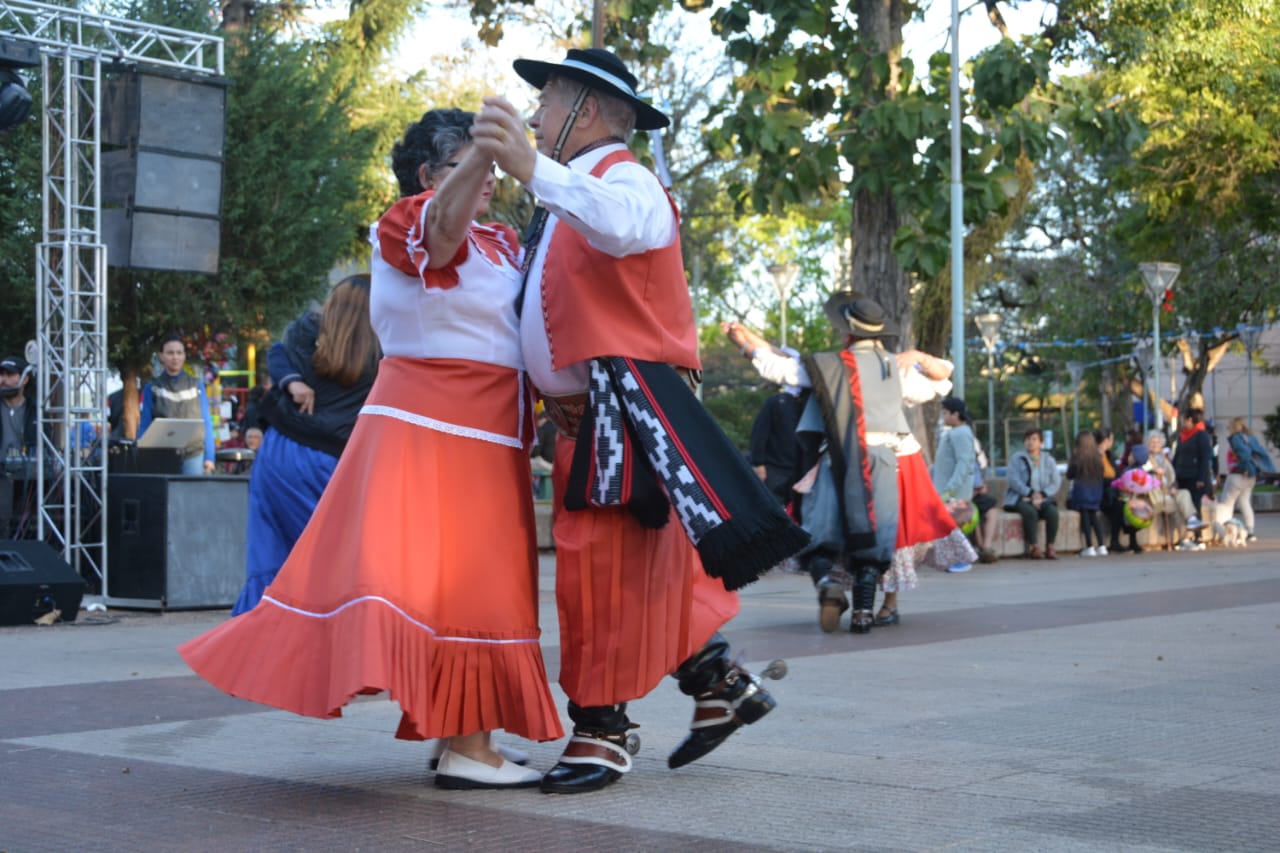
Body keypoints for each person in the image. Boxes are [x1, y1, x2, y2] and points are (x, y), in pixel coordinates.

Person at [180, 108, 563, 790]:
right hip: (436, 430)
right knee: (472, 583)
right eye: (470, 166)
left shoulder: (501, 240)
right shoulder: (404, 222)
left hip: (488, 430)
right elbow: (439, 234)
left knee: (475, 583)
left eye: (490, 167)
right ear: (429, 176)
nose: (488, 180)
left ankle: (461, 734)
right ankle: (470, 747)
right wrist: (487, 150)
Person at [473, 48, 805, 793]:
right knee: (637, 569)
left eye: (547, 104)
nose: (535, 117)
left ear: (586, 111)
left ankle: (603, 730)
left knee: (601, 569)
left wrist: (531, 168)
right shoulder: (571, 191)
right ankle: (720, 684)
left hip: (622, 420)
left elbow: (623, 226)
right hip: (597, 418)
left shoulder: (628, 182)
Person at [725, 295, 975, 633]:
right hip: (888, 459)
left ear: (847, 333)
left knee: (822, 532)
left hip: (839, 458)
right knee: (876, 538)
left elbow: (780, 366)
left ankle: (827, 582)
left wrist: (744, 343)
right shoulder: (894, 366)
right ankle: (863, 614)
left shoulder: (828, 366)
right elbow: (942, 379)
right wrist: (919, 356)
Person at [229, 275, 380, 615]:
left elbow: (277, 351)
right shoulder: (383, 354)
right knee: (329, 565)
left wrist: (291, 380)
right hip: (324, 463)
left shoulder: (307, 331)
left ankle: (256, 635)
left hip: (277, 452)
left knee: (270, 556)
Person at [138, 333, 216, 475]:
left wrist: (210, 457)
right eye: (170, 353)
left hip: (193, 453)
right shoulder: (152, 387)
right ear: (161, 356)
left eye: (179, 353)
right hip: (161, 455)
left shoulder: (196, 385)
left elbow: (206, 422)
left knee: (191, 489)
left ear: (184, 356)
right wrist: (140, 453)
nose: (175, 357)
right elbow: (145, 424)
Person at [1003, 426, 1062, 559]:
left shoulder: (1048, 460)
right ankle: (1034, 546)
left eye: (1034, 439)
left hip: (1042, 497)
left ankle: (1050, 546)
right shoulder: (1016, 459)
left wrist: (1042, 495)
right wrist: (1030, 494)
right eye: (1028, 439)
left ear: (1041, 443)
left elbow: (1056, 481)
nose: (1030, 442)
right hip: (1021, 497)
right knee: (1030, 512)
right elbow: (1013, 480)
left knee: (1052, 512)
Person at [749, 371, 805, 506]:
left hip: (798, 471)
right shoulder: (776, 402)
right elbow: (759, 433)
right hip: (774, 470)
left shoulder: (808, 404)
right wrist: (758, 464)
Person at [1221, 417, 1275, 542]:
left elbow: (1244, 454)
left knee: (1227, 503)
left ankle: (1226, 532)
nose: (1228, 429)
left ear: (1233, 427)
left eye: (1229, 427)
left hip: (1238, 475)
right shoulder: (1250, 438)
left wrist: (1246, 467)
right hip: (1251, 477)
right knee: (1245, 502)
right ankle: (1250, 531)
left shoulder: (1236, 438)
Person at [1172, 409, 1214, 538]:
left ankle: (1198, 536)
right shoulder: (1182, 436)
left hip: (1195, 477)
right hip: (1182, 475)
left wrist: (1201, 478)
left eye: (1183, 418)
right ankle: (1185, 536)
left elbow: (1205, 458)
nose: (1181, 421)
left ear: (1189, 419)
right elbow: (1177, 455)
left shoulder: (1201, 435)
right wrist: (1173, 473)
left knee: (1195, 505)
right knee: (1183, 505)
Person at [1066, 430, 1107, 556]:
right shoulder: (1097, 458)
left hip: (1081, 493)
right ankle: (1102, 545)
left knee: (1085, 518)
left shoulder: (1077, 457)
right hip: (1095, 493)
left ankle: (1089, 546)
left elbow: (1069, 475)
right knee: (1094, 517)